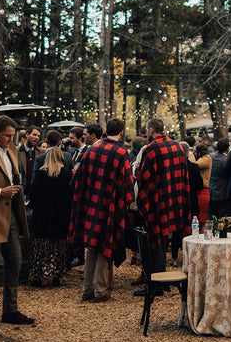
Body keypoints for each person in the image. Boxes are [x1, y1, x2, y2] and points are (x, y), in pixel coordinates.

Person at [69, 117, 133, 303]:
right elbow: (128, 186)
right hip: (110, 206)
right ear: (121, 132)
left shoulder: (91, 149)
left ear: (107, 130)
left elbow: (77, 179)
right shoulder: (121, 152)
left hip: (90, 204)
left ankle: (87, 289)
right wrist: (127, 204)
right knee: (105, 244)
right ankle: (100, 290)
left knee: (91, 247)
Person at [0, 115, 34, 324]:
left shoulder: (12, 151)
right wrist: (0, 192)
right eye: (7, 136)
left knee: (15, 262)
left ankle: (10, 310)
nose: (11, 140)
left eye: (13, 136)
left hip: (11, 218)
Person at [136, 120, 189, 272]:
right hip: (174, 199)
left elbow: (144, 179)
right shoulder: (177, 146)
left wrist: (137, 171)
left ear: (151, 130)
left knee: (155, 240)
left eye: (147, 130)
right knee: (164, 238)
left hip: (156, 200)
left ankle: (156, 282)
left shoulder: (151, 149)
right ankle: (161, 278)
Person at [27, 130, 74, 287]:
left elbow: (33, 194)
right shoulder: (66, 175)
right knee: (58, 245)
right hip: (60, 215)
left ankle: (39, 275)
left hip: (43, 215)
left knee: (41, 245)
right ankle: (56, 275)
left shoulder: (41, 173)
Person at [208, 138, 230, 218]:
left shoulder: (210, 157)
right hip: (222, 192)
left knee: (210, 216)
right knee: (221, 218)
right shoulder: (226, 160)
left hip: (210, 190)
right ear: (227, 149)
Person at [191, 142, 212, 224]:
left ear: (200, 152)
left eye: (195, 151)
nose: (194, 153)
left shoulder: (207, 159)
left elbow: (194, 165)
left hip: (204, 191)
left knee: (202, 219)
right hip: (199, 190)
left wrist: (191, 155)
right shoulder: (202, 158)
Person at [16, 126, 40, 196]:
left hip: (34, 194)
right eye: (34, 135)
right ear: (27, 135)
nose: (37, 138)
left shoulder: (41, 152)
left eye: (38, 136)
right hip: (19, 192)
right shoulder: (16, 151)